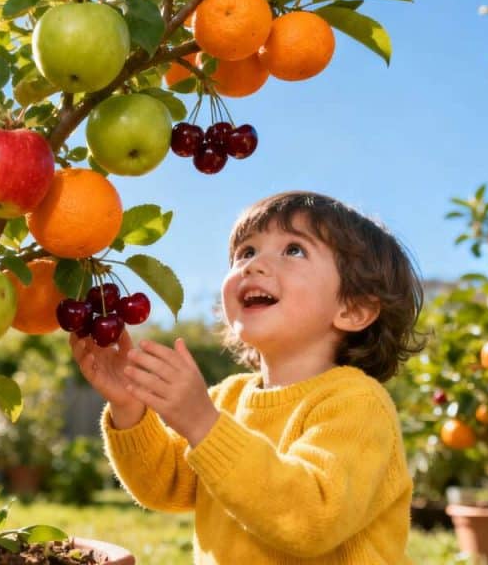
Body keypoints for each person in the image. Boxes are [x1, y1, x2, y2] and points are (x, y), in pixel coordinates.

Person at [70, 191, 423, 564]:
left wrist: (203, 424)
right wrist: (129, 406)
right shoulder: (227, 398)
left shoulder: (356, 404)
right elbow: (164, 485)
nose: (253, 266)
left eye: (294, 250)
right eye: (246, 252)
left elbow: (311, 517)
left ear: (353, 309)